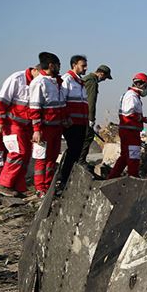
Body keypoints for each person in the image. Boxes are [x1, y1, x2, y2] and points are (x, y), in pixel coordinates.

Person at [0, 58, 50, 197]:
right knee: (17, 153)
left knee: (25, 156)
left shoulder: (38, 83)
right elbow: (2, 100)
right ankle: (3, 185)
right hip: (13, 124)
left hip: (27, 126)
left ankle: (17, 186)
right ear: (35, 70)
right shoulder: (16, 79)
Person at [29, 53, 68, 196]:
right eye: (58, 65)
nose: (59, 68)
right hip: (44, 128)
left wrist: (65, 118)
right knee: (41, 159)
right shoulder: (39, 83)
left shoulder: (56, 82)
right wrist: (37, 130)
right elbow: (34, 108)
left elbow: (61, 104)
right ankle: (40, 188)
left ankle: (49, 186)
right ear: (51, 65)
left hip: (56, 128)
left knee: (52, 159)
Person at [108, 73, 147, 178]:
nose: (146, 89)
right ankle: (133, 178)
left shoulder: (132, 95)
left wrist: (144, 119)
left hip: (129, 131)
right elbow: (129, 113)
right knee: (133, 157)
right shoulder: (131, 96)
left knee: (124, 158)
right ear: (141, 84)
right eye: (146, 86)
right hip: (130, 132)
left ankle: (111, 178)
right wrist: (142, 119)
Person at [56, 55, 89, 191]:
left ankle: (70, 178)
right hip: (71, 123)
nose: (85, 68)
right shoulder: (67, 80)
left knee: (77, 151)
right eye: (83, 65)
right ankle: (64, 179)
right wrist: (65, 118)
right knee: (73, 150)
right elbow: (61, 101)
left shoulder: (80, 82)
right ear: (74, 65)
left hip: (81, 123)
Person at [77, 64, 112, 165]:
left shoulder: (86, 79)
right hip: (85, 115)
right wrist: (91, 118)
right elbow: (90, 101)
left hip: (80, 114)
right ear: (101, 73)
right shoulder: (92, 82)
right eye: (105, 77)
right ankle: (80, 162)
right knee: (87, 137)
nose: (104, 80)